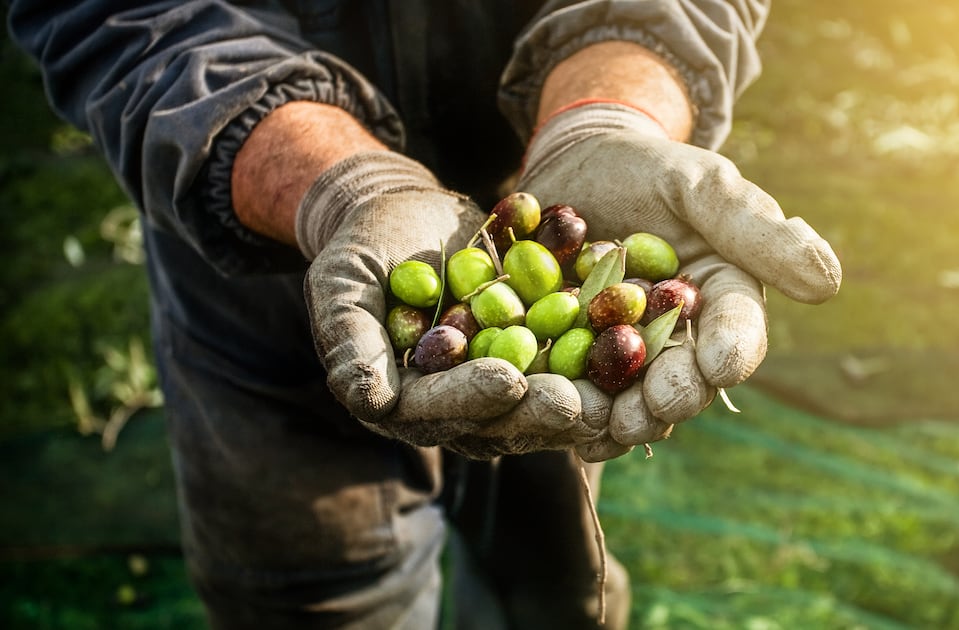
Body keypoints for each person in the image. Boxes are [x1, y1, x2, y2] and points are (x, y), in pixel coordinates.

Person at [8, 1, 840, 628]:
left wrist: (610, 111)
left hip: (554, 184)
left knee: (555, 582)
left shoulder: (557, 295)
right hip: (261, 261)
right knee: (313, 599)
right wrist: (342, 187)